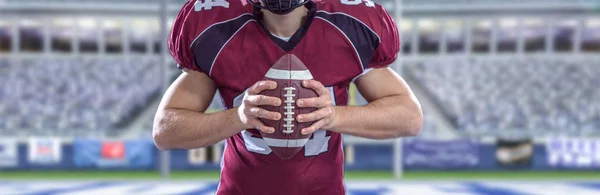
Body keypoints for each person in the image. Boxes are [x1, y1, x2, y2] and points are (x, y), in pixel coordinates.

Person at [153, 0, 423, 194]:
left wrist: (333, 115)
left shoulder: (349, 27)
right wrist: (238, 117)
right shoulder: (217, 30)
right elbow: (165, 130)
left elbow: (409, 117)